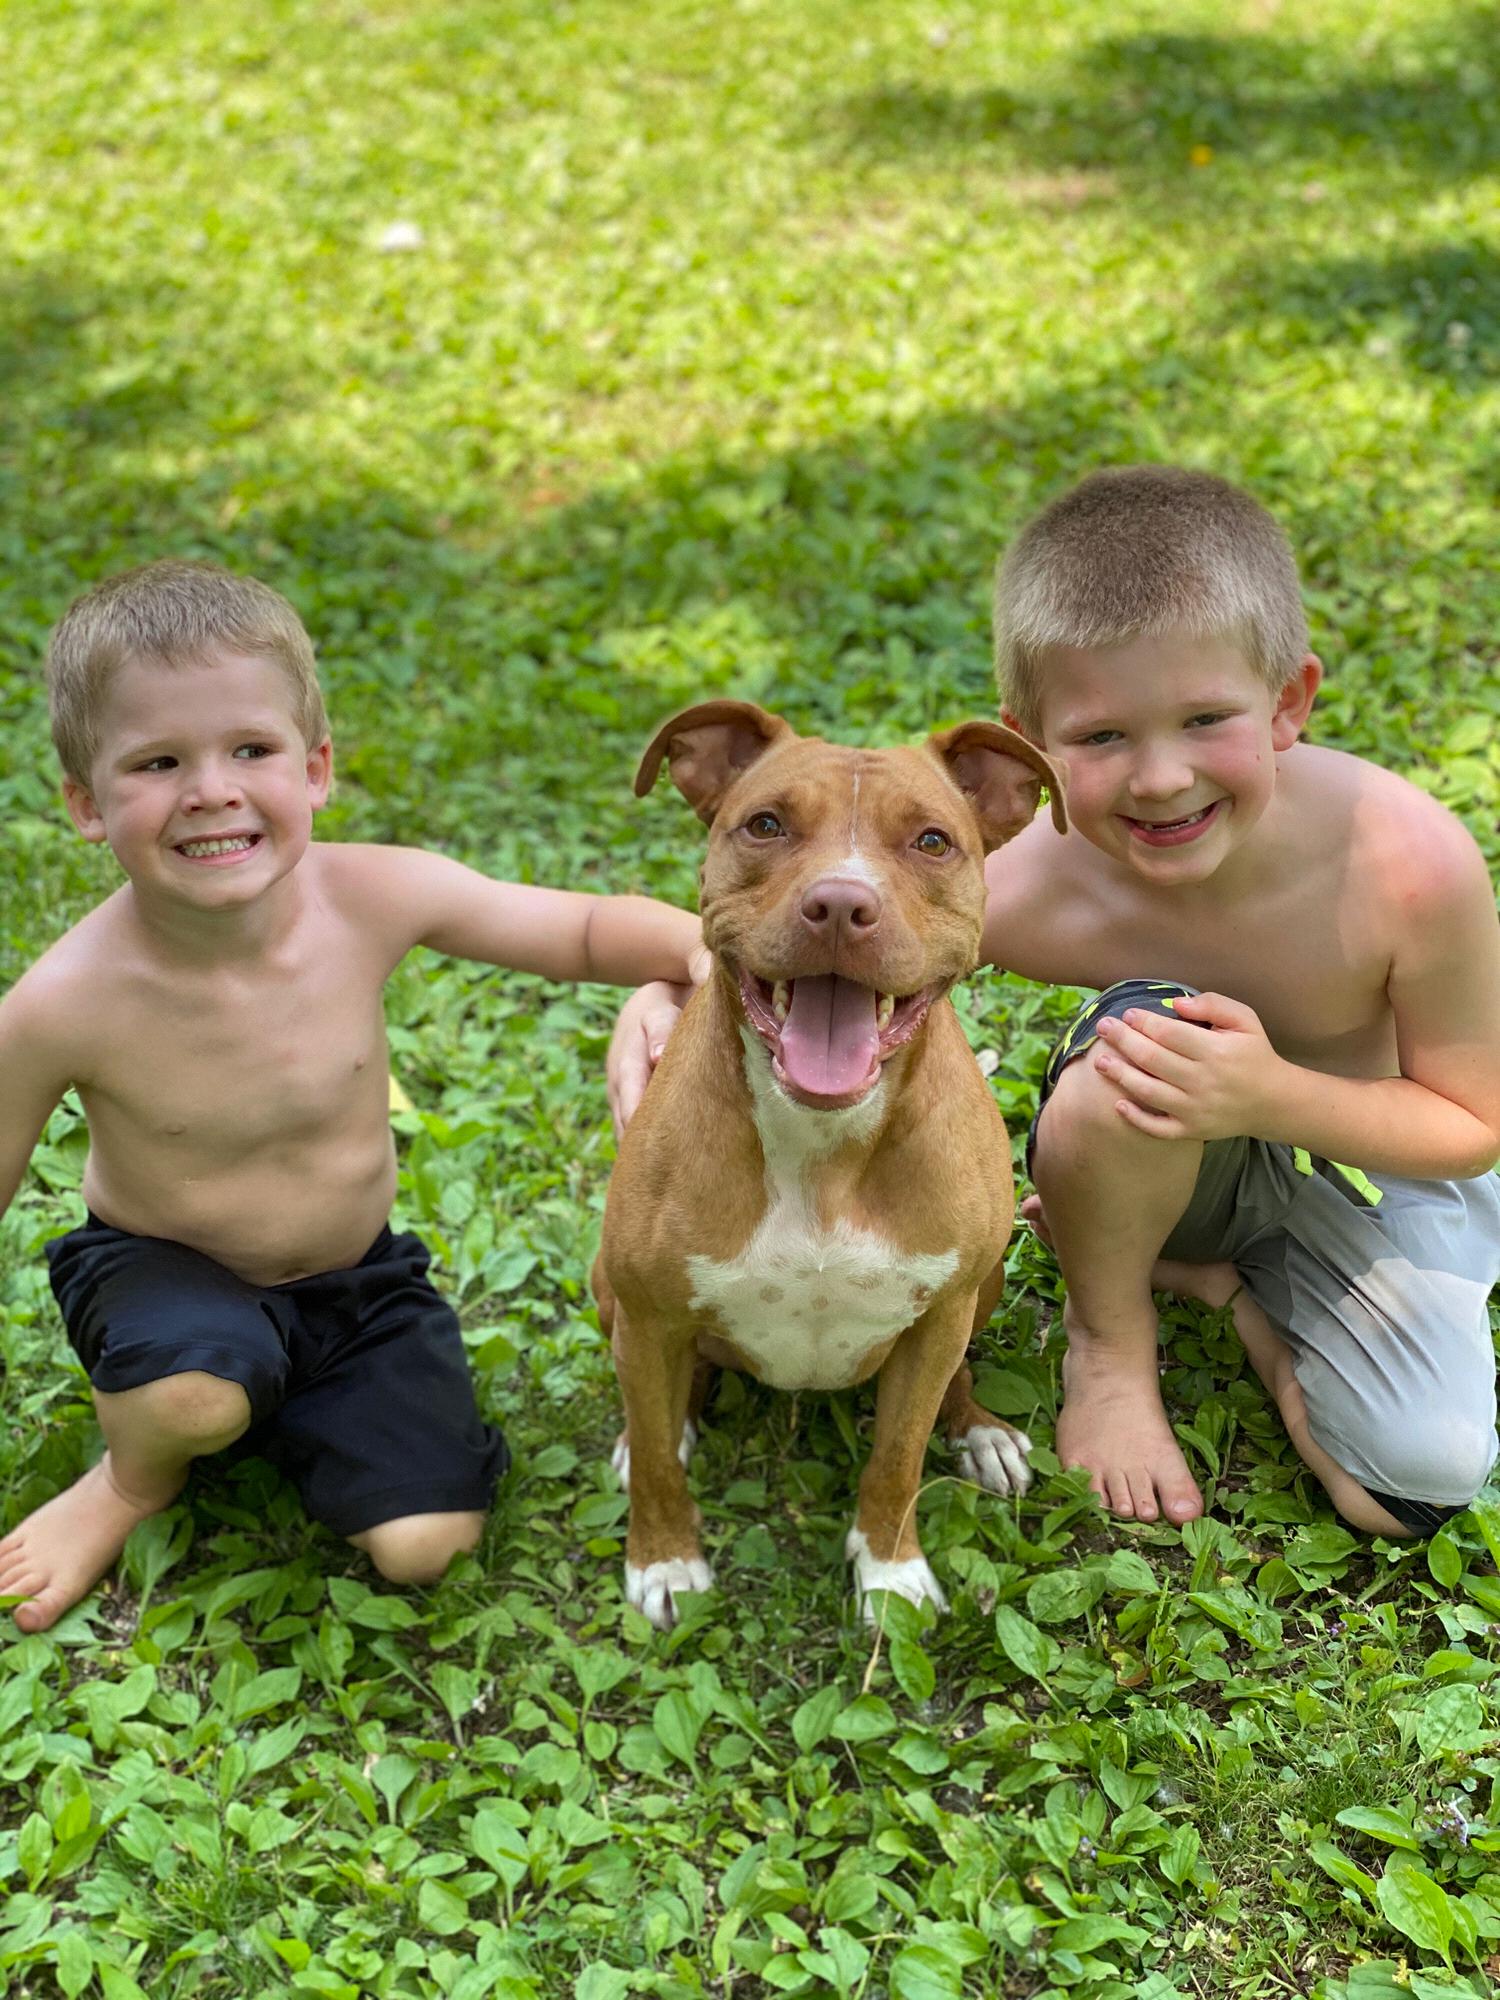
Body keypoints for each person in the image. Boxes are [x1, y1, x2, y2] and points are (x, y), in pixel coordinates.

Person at [609, 466, 1500, 1539]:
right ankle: (1111, 1344)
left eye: (1205, 717)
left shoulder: (1409, 866)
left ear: (1289, 702)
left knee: (1409, 1488)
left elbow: (1474, 1126)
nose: (1160, 778)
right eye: (1102, 737)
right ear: (1026, 752)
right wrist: (672, 987)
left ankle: (1223, 1288)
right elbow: (824, 929)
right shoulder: (1006, 879)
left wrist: (1268, 1094)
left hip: (1373, 1165)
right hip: (1166, 1146)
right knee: (1149, 1046)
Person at [0, 558, 706, 1633]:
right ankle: (134, 1478)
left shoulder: (373, 894)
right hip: (162, 1269)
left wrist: (703, 956)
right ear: (87, 806)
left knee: (427, 1545)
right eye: (158, 761)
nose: (211, 789)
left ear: (317, 767)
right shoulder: (63, 1000)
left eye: (251, 749)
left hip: (354, 1284)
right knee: (192, 1393)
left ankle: (288, 1401)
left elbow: (576, 930)